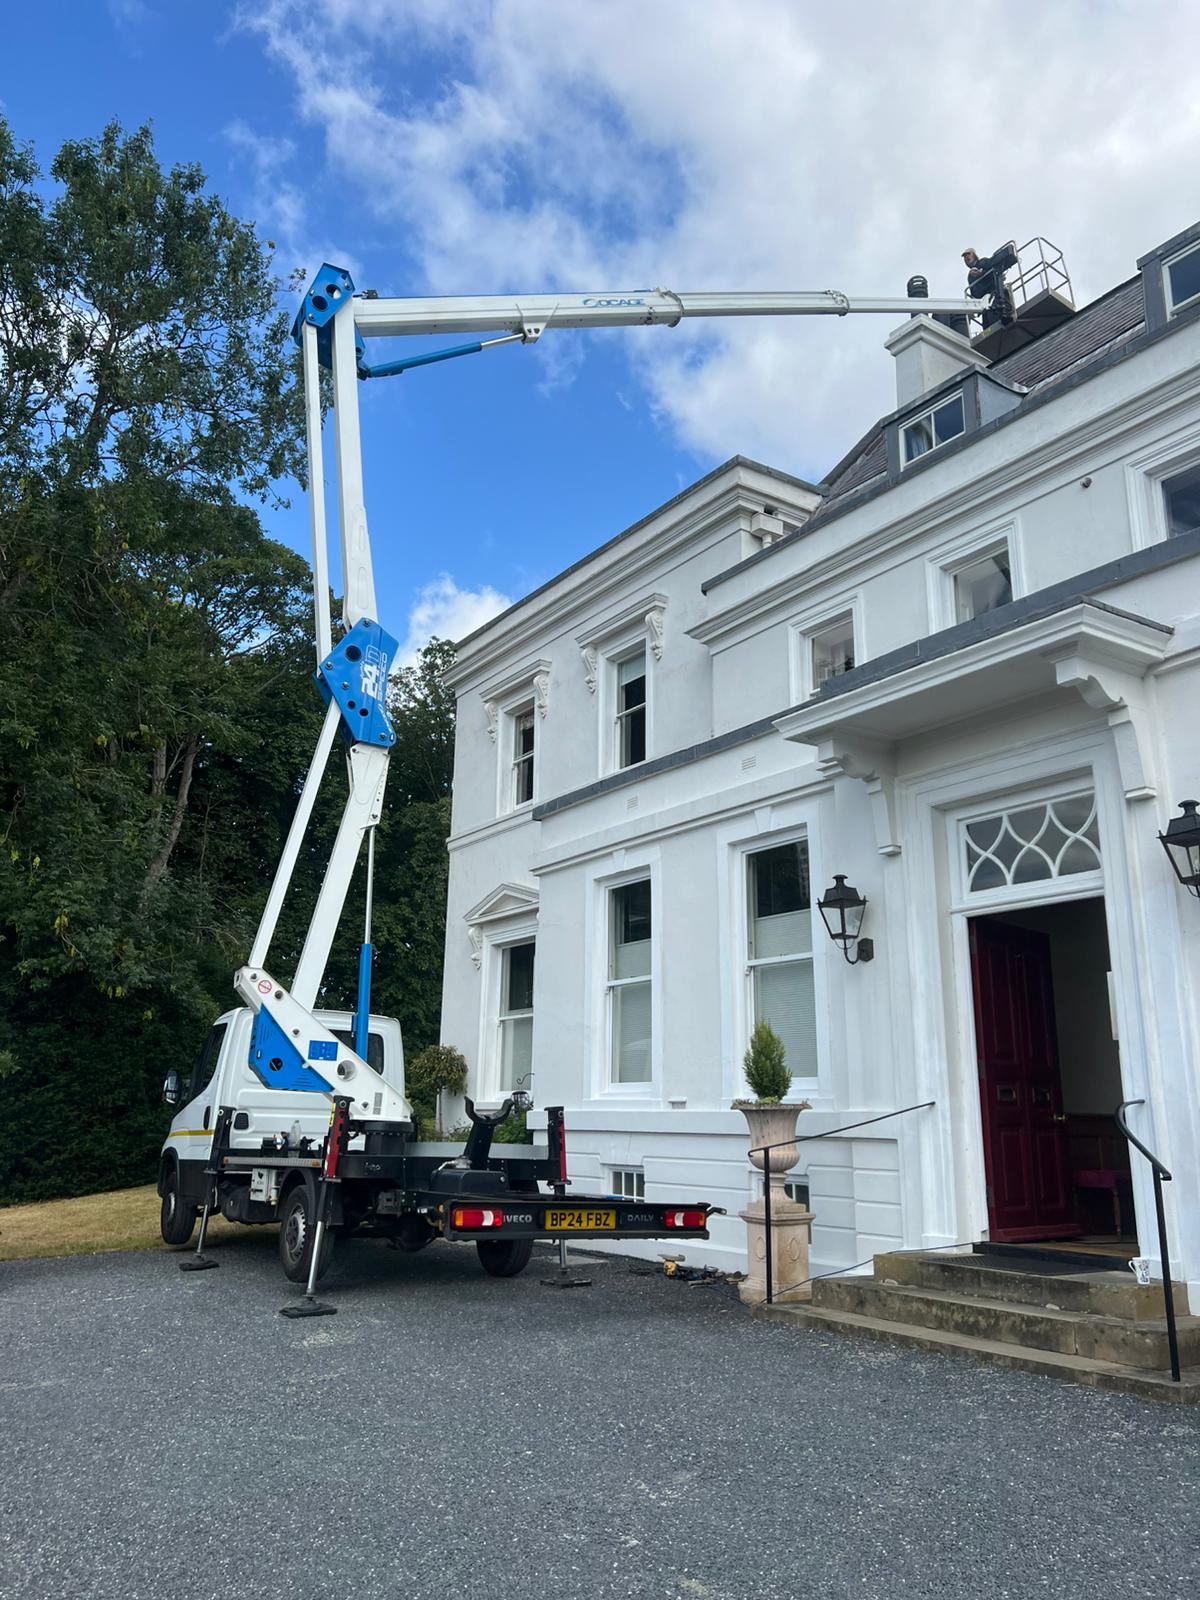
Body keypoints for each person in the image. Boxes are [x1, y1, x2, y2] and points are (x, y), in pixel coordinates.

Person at [963, 246, 1015, 330]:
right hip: (984, 304)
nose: (966, 257)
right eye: (964, 257)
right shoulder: (970, 276)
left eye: (968, 254)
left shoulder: (983, 262)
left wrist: (982, 273)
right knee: (987, 328)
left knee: (996, 319)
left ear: (974, 255)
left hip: (994, 296)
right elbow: (974, 294)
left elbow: (994, 267)